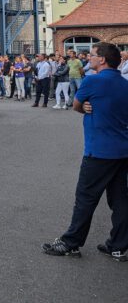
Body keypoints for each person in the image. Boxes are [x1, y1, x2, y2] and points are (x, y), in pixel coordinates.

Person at [42, 42, 128, 261]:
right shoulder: (124, 84)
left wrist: (86, 106)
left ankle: (71, 243)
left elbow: (76, 105)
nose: (88, 58)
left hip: (98, 152)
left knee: (85, 199)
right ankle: (118, 246)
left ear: (102, 60)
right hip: (122, 151)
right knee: (120, 200)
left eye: (92, 55)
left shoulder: (93, 80)